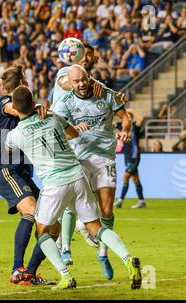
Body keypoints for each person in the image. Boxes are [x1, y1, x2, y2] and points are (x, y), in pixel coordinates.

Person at [6, 85, 142, 290]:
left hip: (54, 184)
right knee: (96, 227)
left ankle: (65, 275)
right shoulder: (53, 118)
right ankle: (127, 258)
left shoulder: (16, 134)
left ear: (15, 109)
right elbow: (73, 134)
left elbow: (7, 148)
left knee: (42, 233)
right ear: (34, 102)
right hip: (77, 176)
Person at [53, 65, 132, 281]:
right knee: (73, 203)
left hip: (105, 157)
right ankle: (66, 247)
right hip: (79, 158)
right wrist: (73, 130)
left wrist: (125, 130)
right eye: (75, 81)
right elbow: (57, 131)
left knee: (106, 210)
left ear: (89, 78)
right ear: (70, 82)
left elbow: (126, 117)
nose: (80, 84)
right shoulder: (66, 101)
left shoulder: (105, 94)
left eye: (83, 79)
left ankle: (103, 253)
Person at [0, 64, 52, 285]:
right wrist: (36, 107)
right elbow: (14, 109)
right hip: (6, 168)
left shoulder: (30, 110)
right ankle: (17, 268)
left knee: (51, 223)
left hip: (23, 172)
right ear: (23, 84)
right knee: (31, 211)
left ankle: (29, 272)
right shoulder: (4, 102)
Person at [114, 108, 146, 209]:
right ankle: (141, 201)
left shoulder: (135, 127)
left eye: (128, 117)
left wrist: (131, 110)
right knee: (135, 178)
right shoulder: (122, 127)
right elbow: (111, 122)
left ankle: (120, 201)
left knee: (125, 176)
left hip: (134, 156)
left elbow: (141, 119)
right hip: (126, 156)